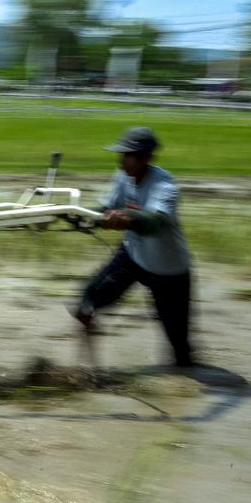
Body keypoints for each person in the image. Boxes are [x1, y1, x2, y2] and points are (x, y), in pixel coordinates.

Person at [74, 127, 194, 367]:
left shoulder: (166, 187)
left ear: (145, 158)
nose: (120, 160)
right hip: (132, 257)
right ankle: (90, 369)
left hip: (169, 271)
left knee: (179, 346)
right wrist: (76, 217)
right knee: (85, 304)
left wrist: (126, 218)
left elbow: (154, 223)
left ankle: (184, 380)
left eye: (126, 155)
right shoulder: (123, 176)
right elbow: (104, 210)